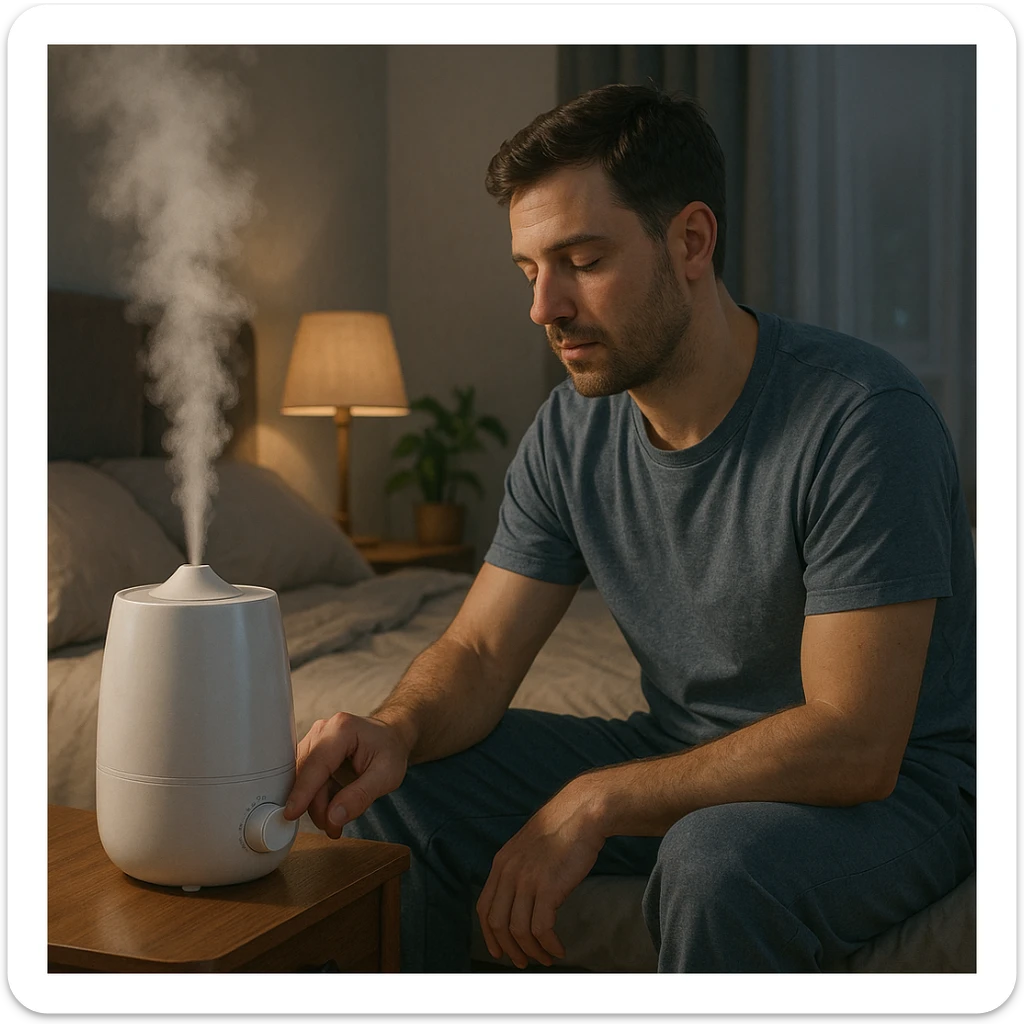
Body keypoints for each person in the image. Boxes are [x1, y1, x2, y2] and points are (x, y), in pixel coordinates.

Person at [282, 84, 976, 973]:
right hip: (684, 749)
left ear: (690, 241)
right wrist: (398, 729)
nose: (544, 309)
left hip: (906, 791)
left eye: (580, 259)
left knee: (713, 862)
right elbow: (482, 654)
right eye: (529, 271)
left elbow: (855, 743)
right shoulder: (571, 430)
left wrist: (598, 800)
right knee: (394, 789)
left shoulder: (862, 418)